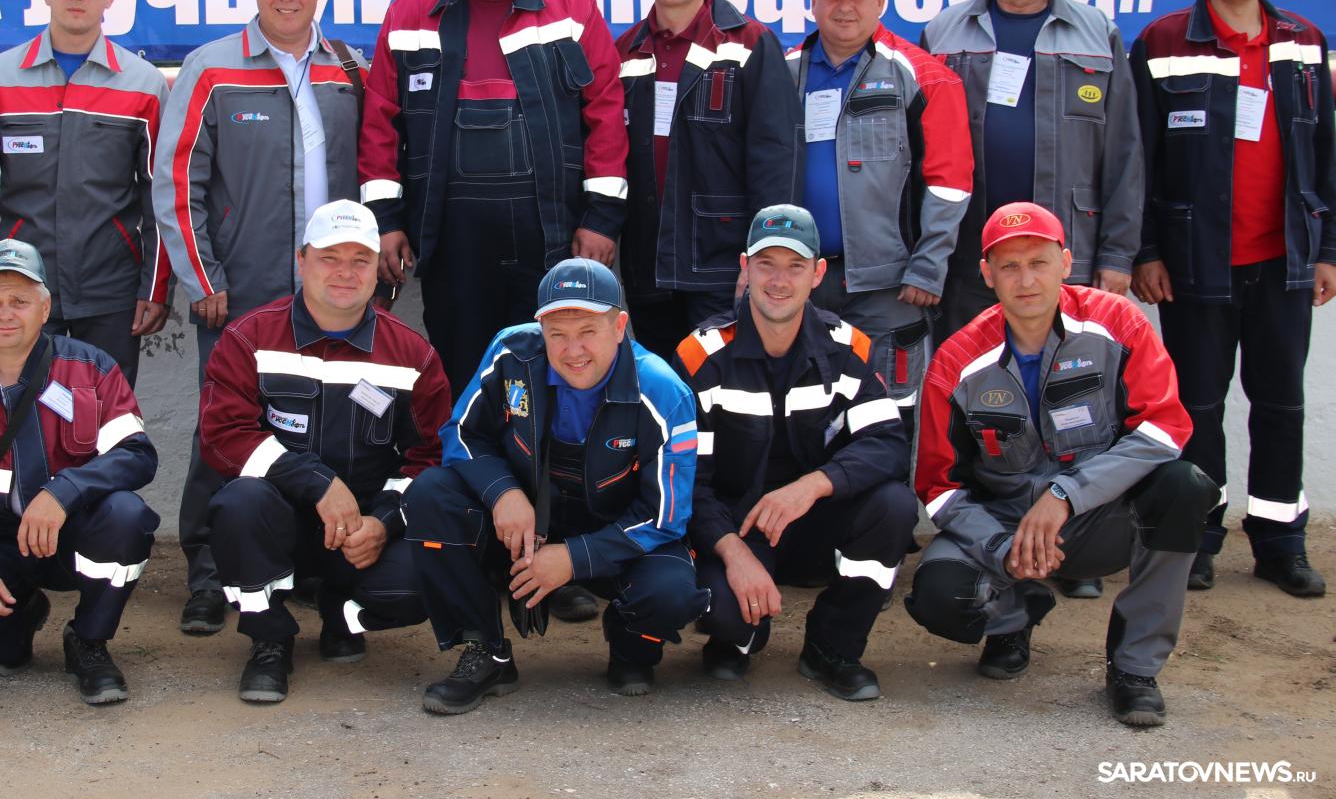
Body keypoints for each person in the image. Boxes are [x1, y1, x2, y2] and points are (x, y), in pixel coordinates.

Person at [905, 203, 1218, 727]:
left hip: (1101, 518)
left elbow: (1165, 429)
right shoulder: (956, 363)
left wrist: (1066, 494)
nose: (1025, 280)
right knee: (940, 596)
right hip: (1007, 528)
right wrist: (1001, 547)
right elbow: (939, 487)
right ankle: (1014, 616)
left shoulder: (1118, 323)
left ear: (1066, 263)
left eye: (1039, 262)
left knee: (1184, 486)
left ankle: (1134, 668)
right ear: (986, 274)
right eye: (1009, 266)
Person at [921, 0, 1145, 600]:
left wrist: (1116, 257)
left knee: (1075, 398)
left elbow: (1125, 155)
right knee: (979, 402)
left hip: (1063, 255)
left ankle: (1077, 543)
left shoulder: (1097, 33)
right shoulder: (943, 32)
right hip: (971, 258)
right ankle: (987, 533)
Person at [154, 0, 367, 637]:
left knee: (321, 425)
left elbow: (374, 169)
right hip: (237, 292)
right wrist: (201, 275)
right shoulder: (211, 67)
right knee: (225, 429)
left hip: (329, 294)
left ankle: (301, 563)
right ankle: (208, 571)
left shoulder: (348, 68)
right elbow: (176, 181)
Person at [1129, 0, 1334, 598]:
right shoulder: (1163, 42)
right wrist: (1147, 250)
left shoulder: (1304, 41)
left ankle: (1279, 542)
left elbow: (1326, 157)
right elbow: (1139, 160)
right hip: (1194, 266)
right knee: (1197, 409)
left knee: (1281, 405)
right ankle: (1199, 537)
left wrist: (1328, 250)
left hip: (1284, 265)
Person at [358, 0, 628, 398]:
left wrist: (602, 219)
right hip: (451, 240)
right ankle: (469, 453)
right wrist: (385, 221)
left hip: (551, 235)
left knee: (554, 374)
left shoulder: (572, 8)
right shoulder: (411, 15)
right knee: (464, 377)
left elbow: (606, 115)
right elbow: (379, 123)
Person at [403, 258, 708, 714]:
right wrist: (503, 492)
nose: (572, 350)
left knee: (671, 592)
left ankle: (631, 645)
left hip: (617, 533)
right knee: (431, 494)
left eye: (588, 331)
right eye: (557, 333)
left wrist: (573, 558)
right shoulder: (511, 353)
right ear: (539, 328)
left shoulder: (663, 390)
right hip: (526, 522)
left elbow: (666, 516)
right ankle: (486, 651)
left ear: (619, 327)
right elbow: (462, 433)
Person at [198, 201, 449, 702]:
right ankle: (269, 639)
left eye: (360, 260)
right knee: (237, 505)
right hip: (279, 521)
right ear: (301, 260)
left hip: (362, 530)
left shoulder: (411, 354)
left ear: (377, 268)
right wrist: (317, 483)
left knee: (426, 576)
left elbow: (432, 457)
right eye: (329, 257)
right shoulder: (250, 338)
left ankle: (341, 615)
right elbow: (223, 436)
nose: (344, 272)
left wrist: (385, 522)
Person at [675, 204, 917, 701]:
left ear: (818, 274)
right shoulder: (701, 357)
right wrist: (734, 553)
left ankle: (833, 646)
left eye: (795, 266)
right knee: (724, 613)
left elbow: (888, 444)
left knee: (894, 506)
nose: (779, 281)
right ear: (745, 268)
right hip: (737, 527)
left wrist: (813, 486)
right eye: (766, 264)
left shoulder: (847, 348)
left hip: (814, 522)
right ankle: (736, 637)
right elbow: (687, 482)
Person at [0, 239, 158, 705]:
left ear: (44, 308)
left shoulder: (91, 367)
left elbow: (136, 454)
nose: (6, 314)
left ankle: (88, 641)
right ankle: (13, 622)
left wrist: (63, 492)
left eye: (19, 301)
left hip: (70, 538)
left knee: (126, 517)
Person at [0, 0, 170, 384]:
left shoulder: (143, 85)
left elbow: (161, 195)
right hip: (20, 286)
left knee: (106, 413)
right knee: (17, 410)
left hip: (112, 292)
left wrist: (155, 285)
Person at [787, 0, 971, 436]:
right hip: (802, 281)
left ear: (882, 1)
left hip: (890, 286)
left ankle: (889, 492)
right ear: (812, 1)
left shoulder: (925, 77)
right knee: (809, 411)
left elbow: (950, 183)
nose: (845, 7)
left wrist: (928, 266)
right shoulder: (783, 74)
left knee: (891, 412)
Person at [614, 0, 800, 362]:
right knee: (662, 385)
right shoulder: (626, 51)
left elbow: (775, 158)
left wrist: (764, 254)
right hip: (648, 264)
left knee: (725, 387)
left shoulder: (750, 43)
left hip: (722, 265)